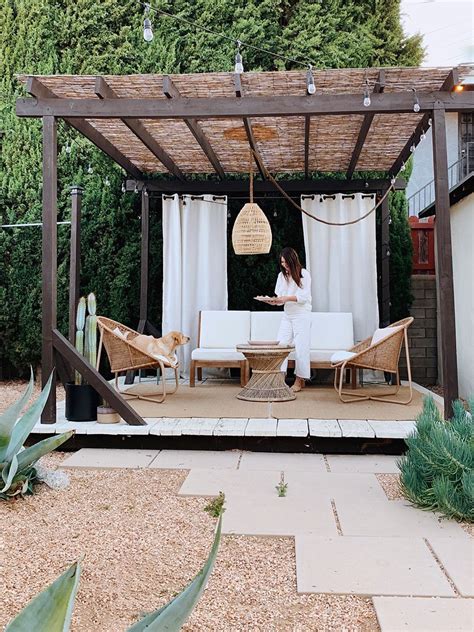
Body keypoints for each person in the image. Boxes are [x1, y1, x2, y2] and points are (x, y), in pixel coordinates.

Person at [273, 247, 312, 392]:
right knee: (281, 345)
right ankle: (280, 378)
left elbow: (303, 297)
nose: (284, 265)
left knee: (301, 347)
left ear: (292, 260)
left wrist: (286, 298)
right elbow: (280, 297)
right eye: (282, 263)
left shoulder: (304, 274)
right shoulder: (281, 276)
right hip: (287, 315)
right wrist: (275, 301)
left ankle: (299, 380)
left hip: (302, 314)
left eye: (286, 262)